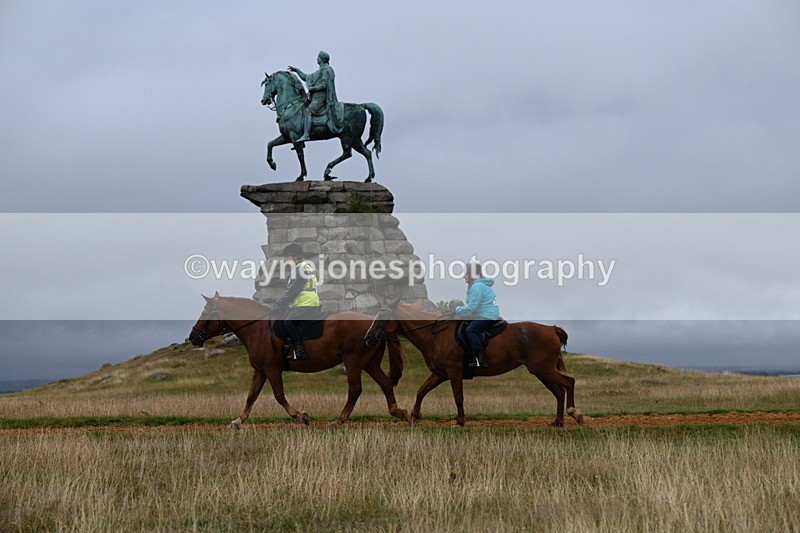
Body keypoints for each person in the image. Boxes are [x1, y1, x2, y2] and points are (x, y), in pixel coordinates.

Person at [272, 243, 321, 360]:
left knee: (288, 322)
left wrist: (277, 305)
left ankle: (299, 349)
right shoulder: (305, 267)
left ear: (295, 257)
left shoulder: (301, 269)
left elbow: (292, 291)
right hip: (306, 301)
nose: (285, 260)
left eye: (287, 257)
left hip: (305, 303)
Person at [288, 50, 344, 141]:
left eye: (318, 57)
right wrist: (297, 70)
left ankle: (306, 134)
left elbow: (324, 85)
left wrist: (312, 89)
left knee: (308, 111)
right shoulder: (319, 71)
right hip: (315, 98)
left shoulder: (326, 70)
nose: (316, 59)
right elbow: (306, 77)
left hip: (321, 99)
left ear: (322, 59)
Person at [454, 262, 500, 369]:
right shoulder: (475, 285)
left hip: (487, 315)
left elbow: (471, 307)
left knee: (471, 330)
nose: (463, 275)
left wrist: (456, 310)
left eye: (466, 273)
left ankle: (481, 358)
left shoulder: (477, 286)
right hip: (482, 313)